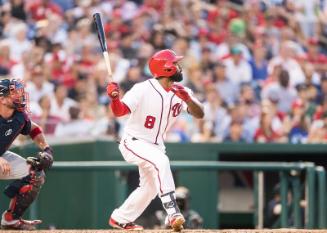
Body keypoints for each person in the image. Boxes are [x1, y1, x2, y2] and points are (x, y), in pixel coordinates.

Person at [106, 49, 204, 231]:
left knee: (149, 188)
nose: (178, 67)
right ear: (165, 69)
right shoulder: (142, 89)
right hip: (134, 141)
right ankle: (173, 212)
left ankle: (120, 218)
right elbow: (119, 111)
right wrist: (114, 98)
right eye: (174, 64)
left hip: (156, 145)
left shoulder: (181, 91)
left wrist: (189, 100)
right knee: (161, 162)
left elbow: (200, 114)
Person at [0, 78, 53, 230]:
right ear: (2, 99)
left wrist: (47, 148)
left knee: (35, 174)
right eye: (13, 93)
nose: (19, 95)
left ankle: (10, 219)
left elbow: (33, 129)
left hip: (2, 157)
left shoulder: (19, 115)